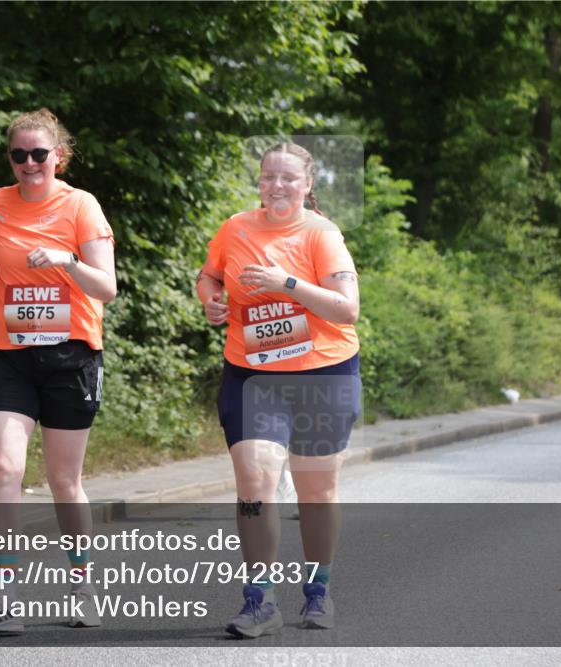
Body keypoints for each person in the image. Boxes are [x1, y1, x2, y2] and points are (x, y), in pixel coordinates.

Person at [0, 108, 117, 632]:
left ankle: (83, 587)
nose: (29, 163)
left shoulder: (80, 206)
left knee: (63, 481)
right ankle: (5, 597)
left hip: (70, 355)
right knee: (5, 468)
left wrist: (66, 261)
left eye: (39, 154)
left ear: (58, 157)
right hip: (6, 353)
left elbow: (107, 288)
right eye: (19, 154)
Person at [196, 142, 361, 638]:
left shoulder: (321, 234)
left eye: (288, 178)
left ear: (307, 185)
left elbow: (347, 309)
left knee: (316, 490)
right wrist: (211, 299)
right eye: (269, 177)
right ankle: (259, 599)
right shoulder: (235, 227)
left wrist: (286, 283)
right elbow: (208, 275)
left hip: (322, 372)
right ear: (259, 182)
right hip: (253, 374)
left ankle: (318, 589)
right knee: (255, 480)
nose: (277, 186)